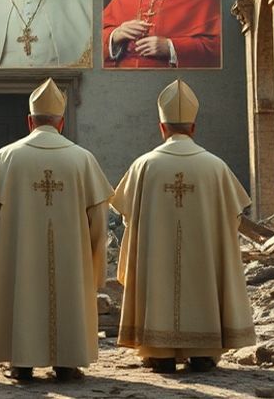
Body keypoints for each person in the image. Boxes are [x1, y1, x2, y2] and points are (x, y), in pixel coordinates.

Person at [0, 79, 112, 382]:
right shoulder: (82, 159)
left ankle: (20, 363)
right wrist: (96, 265)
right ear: (61, 122)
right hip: (71, 258)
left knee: (21, 293)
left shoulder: (5, 157)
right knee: (69, 294)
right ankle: (66, 363)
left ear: (29, 121)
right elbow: (99, 219)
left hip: (17, 254)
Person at [111, 80, 255, 373]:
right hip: (202, 258)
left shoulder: (144, 166)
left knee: (159, 282)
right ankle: (202, 352)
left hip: (156, 259)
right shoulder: (215, 166)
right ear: (194, 127)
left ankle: (159, 351)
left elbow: (126, 215)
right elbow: (234, 218)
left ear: (162, 127)